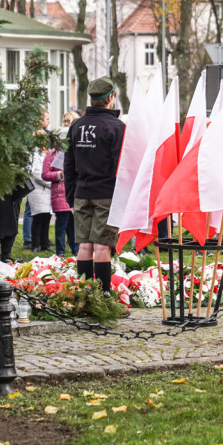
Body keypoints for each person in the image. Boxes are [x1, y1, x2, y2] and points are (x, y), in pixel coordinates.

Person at [64, 77, 126, 293]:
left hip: (81, 193)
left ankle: (83, 293)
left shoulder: (76, 125)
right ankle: (102, 295)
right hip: (106, 195)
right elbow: (121, 166)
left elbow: (68, 164)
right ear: (110, 98)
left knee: (84, 246)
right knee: (101, 247)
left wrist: (71, 196)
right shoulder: (117, 127)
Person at [43, 127, 76, 256]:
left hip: (72, 192)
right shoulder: (52, 154)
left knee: (73, 226)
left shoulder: (74, 152)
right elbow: (45, 174)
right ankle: (60, 251)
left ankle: (75, 250)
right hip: (59, 194)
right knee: (61, 225)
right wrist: (59, 174)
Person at [23, 110, 52, 252]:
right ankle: (35, 244)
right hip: (38, 189)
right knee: (38, 217)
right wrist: (49, 182)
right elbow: (36, 172)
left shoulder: (46, 152)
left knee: (46, 217)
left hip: (46, 189)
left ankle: (45, 243)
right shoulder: (34, 153)